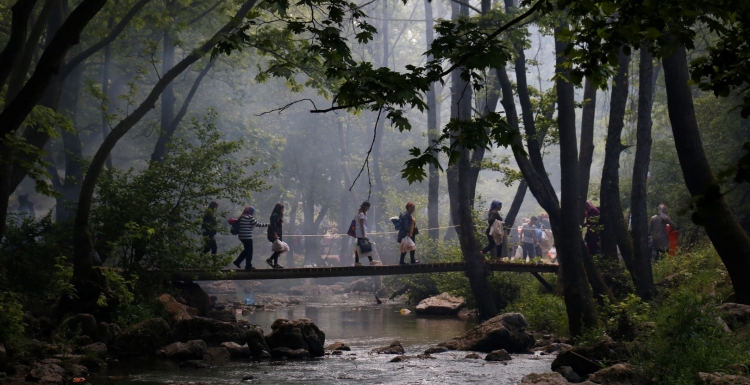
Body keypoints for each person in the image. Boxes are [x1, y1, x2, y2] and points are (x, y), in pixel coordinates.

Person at [233, 206, 268, 270]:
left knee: (247, 250)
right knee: (249, 251)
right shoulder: (249, 217)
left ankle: (237, 262)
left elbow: (245, 226)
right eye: (253, 212)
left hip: (241, 236)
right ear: (251, 211)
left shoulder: (242, 217)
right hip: (247, 236)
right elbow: (258, 224)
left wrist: (250, 227)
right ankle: (248, 266)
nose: (253, 213)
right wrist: (268, 225)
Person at [353, 201, 376, 266]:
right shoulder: (361, 214)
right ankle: (370, 260)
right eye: (368, 207)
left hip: (360, 232)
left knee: (360, 246)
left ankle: (357, 262)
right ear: (366, 207)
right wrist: (363, 235)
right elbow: (362, 225)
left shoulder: (360, 213)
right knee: (365, 245)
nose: (368, 209)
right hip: (361, 233)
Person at [266, 203, 285, 268]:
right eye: (282, 209)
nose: (283, 210)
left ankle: (275, 263)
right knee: (279, 248)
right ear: (279, 209)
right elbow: (273, 224)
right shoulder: (275, 215)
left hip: (277, 233)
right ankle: (270, 259)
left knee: (278, 248)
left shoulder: (277, 215)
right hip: (274, 234)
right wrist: (275, 233)